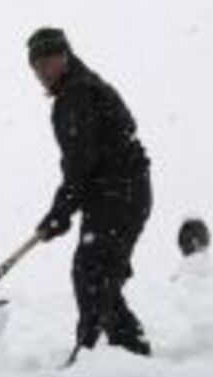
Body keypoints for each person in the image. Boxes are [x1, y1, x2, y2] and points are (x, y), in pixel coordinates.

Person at [27, 28, 152, 359]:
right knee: (97, 271)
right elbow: (82, 164)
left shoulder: (77, 95)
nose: (43, 72)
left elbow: (81, 162)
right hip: (116, 193)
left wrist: (60, 212)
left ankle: (98, 351)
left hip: (119, 192)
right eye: (37, 66)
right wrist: (62, 211)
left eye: (49, 61)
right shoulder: (78, 90)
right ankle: (118, 350)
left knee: (93, 269)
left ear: (65, 56)